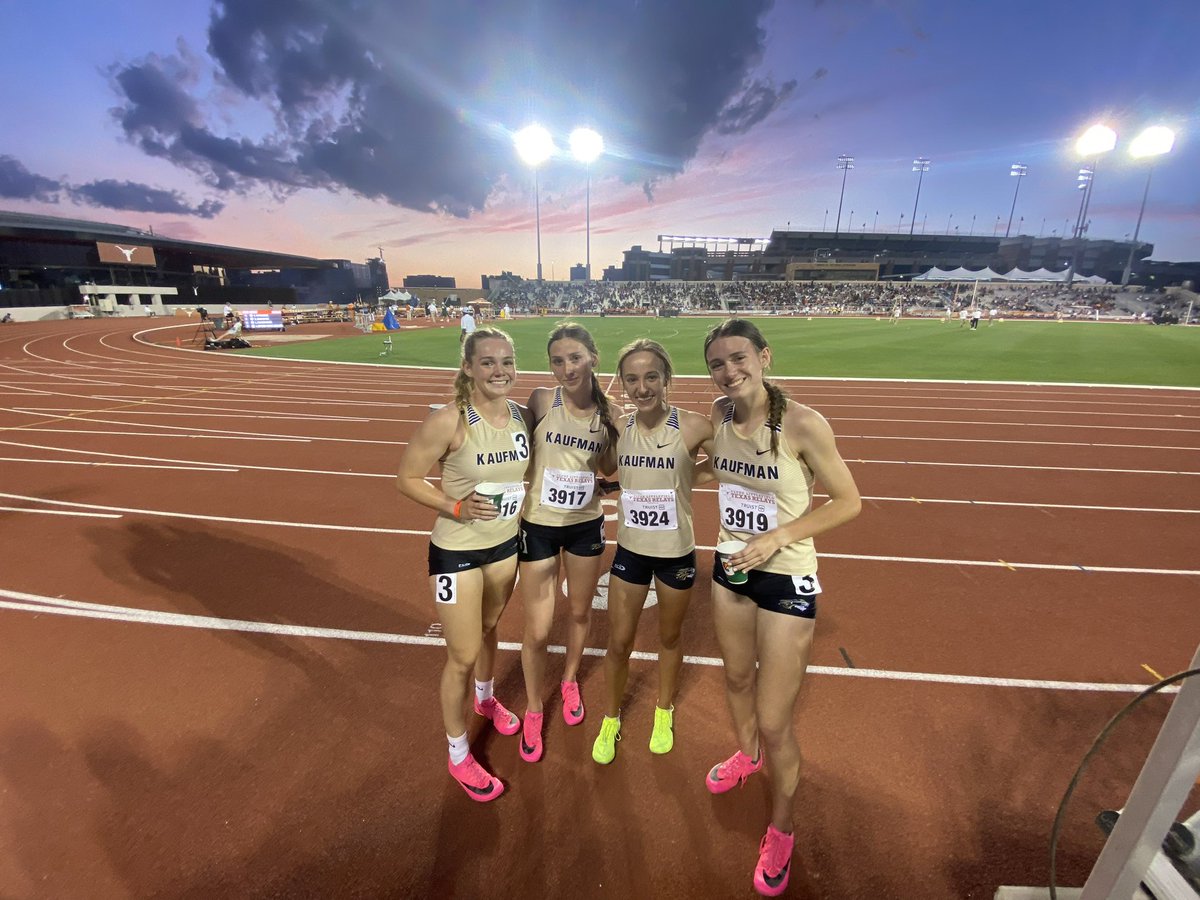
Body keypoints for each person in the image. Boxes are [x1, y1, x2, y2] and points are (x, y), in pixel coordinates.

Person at [702, 318, 861, 897]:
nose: (729, 371)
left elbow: (849, 501)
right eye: (717, 363)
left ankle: (782, 829)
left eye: (738, 358)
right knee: (738, 679)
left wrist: (780, 534)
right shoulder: (720, 417)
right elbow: (714, 467)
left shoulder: (802, 424)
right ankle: (746, 757)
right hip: (730, 568)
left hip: (786, 576)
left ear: (764, 357)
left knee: (776, 719)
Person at [396, 328, 532, 802]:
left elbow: (528, 474)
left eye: (507, 362)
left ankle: (485, 698)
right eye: (489, 362)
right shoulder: (451, 421)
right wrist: (456, 507)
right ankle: (458, 754)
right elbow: (406, 477)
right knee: (462, 653)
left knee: (491, 629)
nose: (500, 371)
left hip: (505, 546)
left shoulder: (521, 416)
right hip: (457, 551)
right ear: (469, 368)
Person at [591, 339, 713, 766]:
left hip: (677, 552)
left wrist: (687, 477)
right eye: (631, 379)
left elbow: (726, 461)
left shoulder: (694, 426)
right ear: (623, 383)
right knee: (619, 642)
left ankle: (663, 711)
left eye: (650, 377)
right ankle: (610, 717)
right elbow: (607, 469)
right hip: (631, 553)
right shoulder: (620, 427)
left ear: (665, 380)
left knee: (669, 637)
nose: (641, 387)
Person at [516, 323, 619, 762]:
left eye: (574, 357)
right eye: (557, 360)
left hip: (584, 525)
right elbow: (514, 445)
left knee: (578, 611)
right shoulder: (541, 400)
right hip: (538, 523)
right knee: (538, 630)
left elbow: (612, 467)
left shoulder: (610, 411)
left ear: (594, 357)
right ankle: (535, 707)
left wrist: (605, 484)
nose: (565, 368)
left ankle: (570, 680)